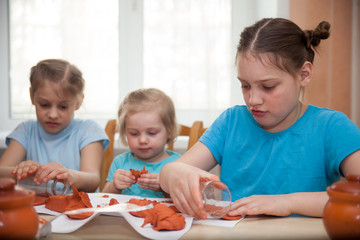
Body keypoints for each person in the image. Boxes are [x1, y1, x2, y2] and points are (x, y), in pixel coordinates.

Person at [159, 18, 360, 219]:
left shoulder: (332, 127)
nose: (253, 100)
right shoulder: (231, 122)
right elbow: (170, 172)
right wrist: (173, 173)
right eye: (245, 85)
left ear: (304, 74)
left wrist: (289, 202)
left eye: (268, 86)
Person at [0, 59, 109, 192]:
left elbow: (93, 180)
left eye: (63, 107)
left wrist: (71, 175)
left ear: (79, 102)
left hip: (77, 210)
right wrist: (20, 170)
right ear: (31, 96)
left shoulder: (89, 130)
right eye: (44, 105)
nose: (52, 114)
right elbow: (2, 173)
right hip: (35, 209)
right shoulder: (26, 131)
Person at [102, 88, 180, 198]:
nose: (142, 140)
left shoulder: (178, 164)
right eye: (134, 134)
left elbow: (187, 202)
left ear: (169, 131)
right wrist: (114, 186)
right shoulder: (120, 162)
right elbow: (103, 198)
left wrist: (166, 188)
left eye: (152, 133)